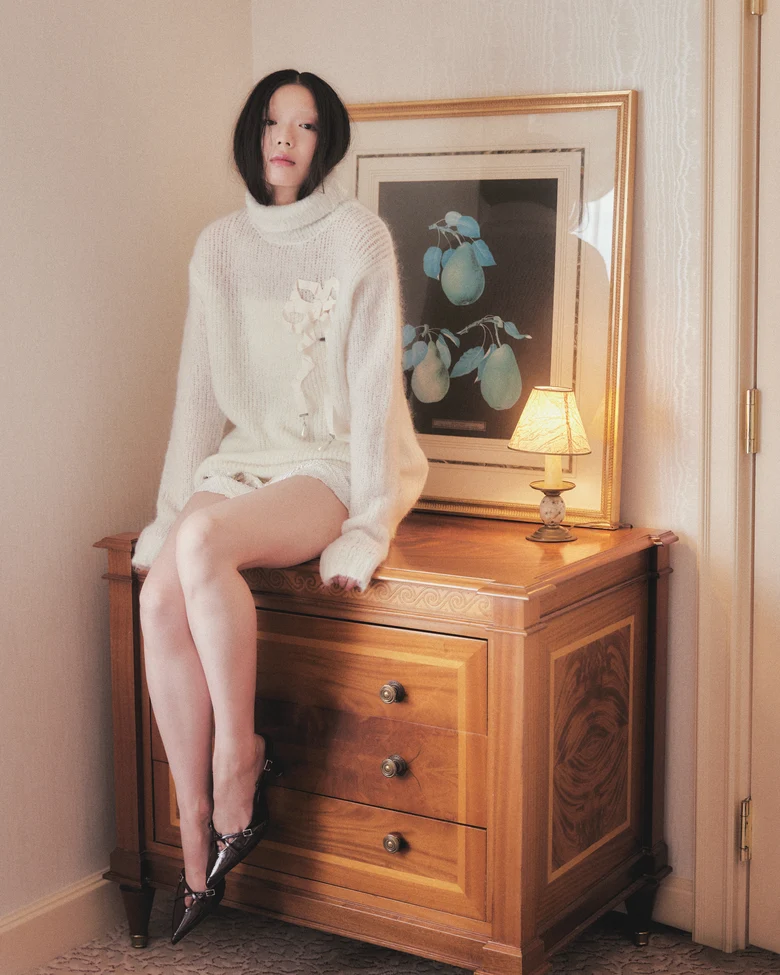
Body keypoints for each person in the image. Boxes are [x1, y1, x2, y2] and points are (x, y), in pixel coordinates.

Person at [130, 69, 429, 943]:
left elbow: (373, 394)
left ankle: (240, 759)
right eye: (272, 122)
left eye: (304, 125)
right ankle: (195, 833)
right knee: (159, 591)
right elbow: (196, 397)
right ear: (254, 135)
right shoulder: (219, 247)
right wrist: (165, 514)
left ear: (325, 142)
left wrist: (367, 527)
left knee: (204, 543)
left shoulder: (358, 238)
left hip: (326, 466)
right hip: (243, 463)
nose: (286, 138)